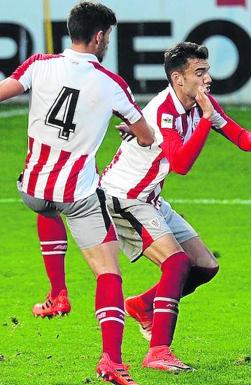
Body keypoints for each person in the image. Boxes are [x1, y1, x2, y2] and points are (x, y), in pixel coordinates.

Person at [97, 41, 251, 371]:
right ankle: (158, 352)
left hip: (150, 197)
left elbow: (241, 137)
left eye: (207, 71)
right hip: (124, 196)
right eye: (200, 72)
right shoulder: (164, 112)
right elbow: (180, 163)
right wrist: (207, 118)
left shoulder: (202, 105)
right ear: (178, 79)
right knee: (177, 263)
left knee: (205, 266)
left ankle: (143, 305)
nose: (208, 78)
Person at [0, 2, 155, 385]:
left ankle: (58, 294)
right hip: (79, 197)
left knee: (46, 199)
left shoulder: (39, 64)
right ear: (100, 36)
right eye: (109, 37)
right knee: (108, 273)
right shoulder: (112, 84)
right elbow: (147, 136)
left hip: (32, 190)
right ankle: (112, 361)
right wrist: (126, 126)